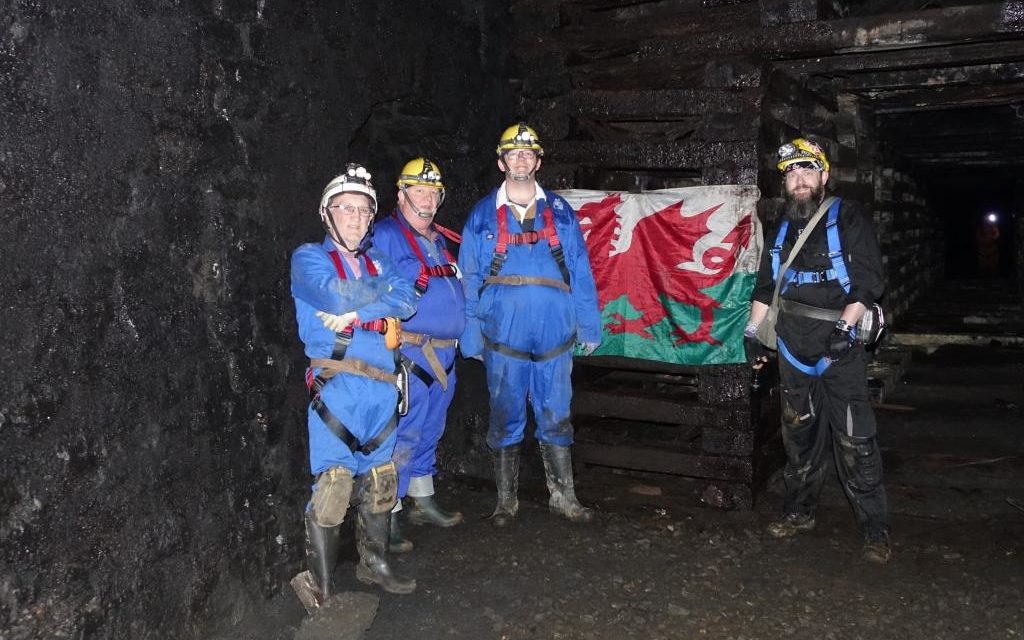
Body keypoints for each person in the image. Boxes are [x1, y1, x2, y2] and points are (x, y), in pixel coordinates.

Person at [744, 138, 892, 565]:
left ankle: (875, 529)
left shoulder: (848, 217)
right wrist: (754, 332)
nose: (800, 180)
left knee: (855, 440)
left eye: (808, 171)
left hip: (839, 347)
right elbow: (767, 286)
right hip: (793, 348)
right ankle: (798, 512)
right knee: (800, 436)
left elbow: (869, 280)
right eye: (792, 173)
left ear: (824, 176)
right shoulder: (782, 227)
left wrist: (846, 327)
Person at [458, 123, 602, 527]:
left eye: (528, 153)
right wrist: (470, 333)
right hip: (503, 336)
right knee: (505, 414)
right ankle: (506, 502)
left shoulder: (560, 211)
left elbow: (580, 269)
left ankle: (564, 497)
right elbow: (469, 276)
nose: (520, 159)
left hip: (556, 334)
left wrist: (589, 326)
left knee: (556, 413)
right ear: (501, 161)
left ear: (538, 161)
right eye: (513, 153)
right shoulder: (482, 215)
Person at [289, 163, 418, 612]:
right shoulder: (308, 258)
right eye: (346, 208)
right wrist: (372, 302)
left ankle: (375, 563)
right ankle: (323, 586)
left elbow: (407, 299)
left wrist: (359, 307)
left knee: (383, 479)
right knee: (334, 484)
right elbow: (333, 296)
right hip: (338, 387)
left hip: (382, 388)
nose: (356, 217)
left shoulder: (379, 260)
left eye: (364, 210)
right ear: (328, 214)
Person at [371, 158, 466, 552]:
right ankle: (388, 514)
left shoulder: (440, 240)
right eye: (419, 191)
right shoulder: (386, 235)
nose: (426, 200)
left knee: (431, 430)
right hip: (411, 353)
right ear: (401, 194)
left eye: (433, 193)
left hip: (445, 355)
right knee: (402, 437)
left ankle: (423, 498)